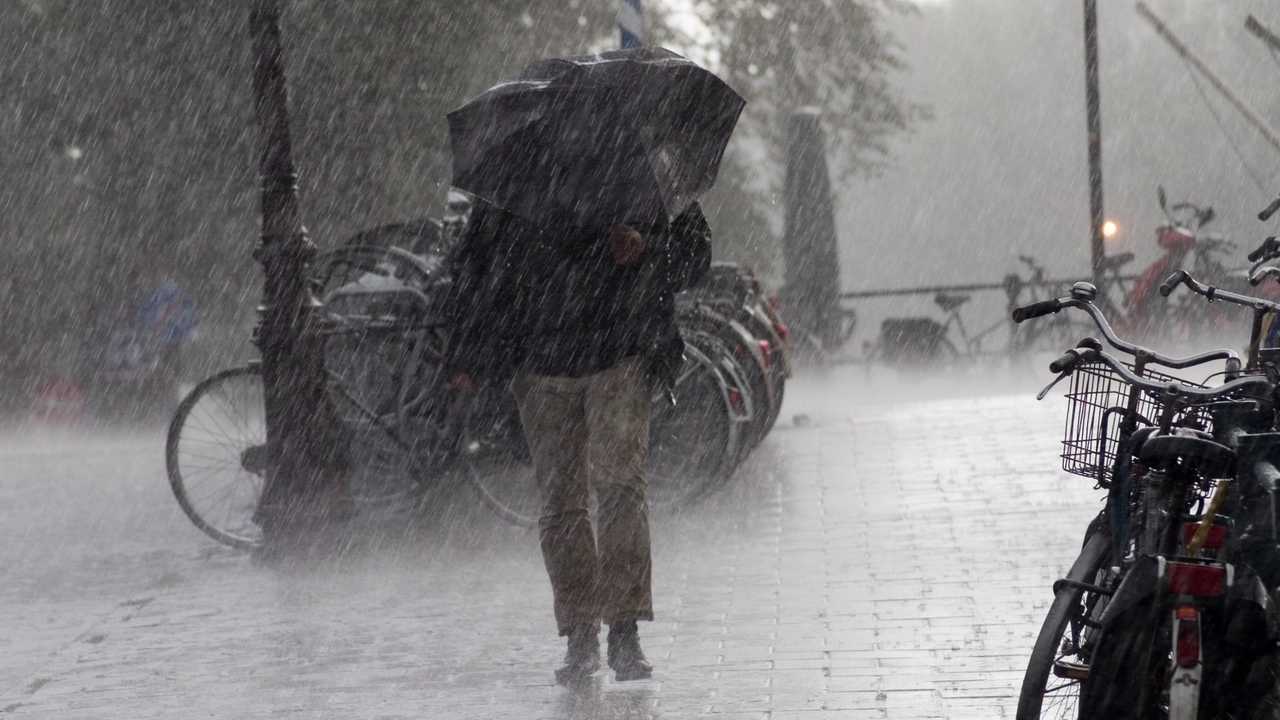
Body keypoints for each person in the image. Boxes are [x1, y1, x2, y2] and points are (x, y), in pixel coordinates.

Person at [443, 198, 711, 684]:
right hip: (539, 361)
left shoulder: (642, 166)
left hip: (621, 353)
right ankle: (580, 632)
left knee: (620, 490)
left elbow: (694, 258)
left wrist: (646, 247)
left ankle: (624, 631)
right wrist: (466, 351)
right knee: (561, 503)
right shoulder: (515, 177)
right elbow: (475, 264)